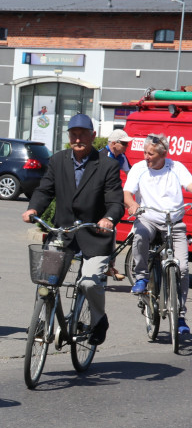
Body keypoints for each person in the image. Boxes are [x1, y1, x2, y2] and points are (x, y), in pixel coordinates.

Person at [23, 113, 123, 346]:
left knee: (89, 282)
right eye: (73, 135)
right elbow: (45, 190)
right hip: (63, 233)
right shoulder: (58, 160)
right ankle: (43, 320)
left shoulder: (107, 165)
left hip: (94, 235)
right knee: (46, 279)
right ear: (68, 136)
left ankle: (98, 320)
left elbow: (115, 201)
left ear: (93, 135)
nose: (78, 139)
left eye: (83, 135)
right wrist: (33, 209)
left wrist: (108, 218)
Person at [123, 133, 192, 334]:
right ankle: (141, 277)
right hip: (149, 218)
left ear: (164, 154)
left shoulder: (176, 167)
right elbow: (127, 193)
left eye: (151, 154)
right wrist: (132, 204)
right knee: (140, 235)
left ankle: (180, 316)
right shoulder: (139, 169)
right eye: (145, 152)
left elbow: (189, 184)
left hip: (174, 221)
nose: (146, 157)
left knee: (183, 268)